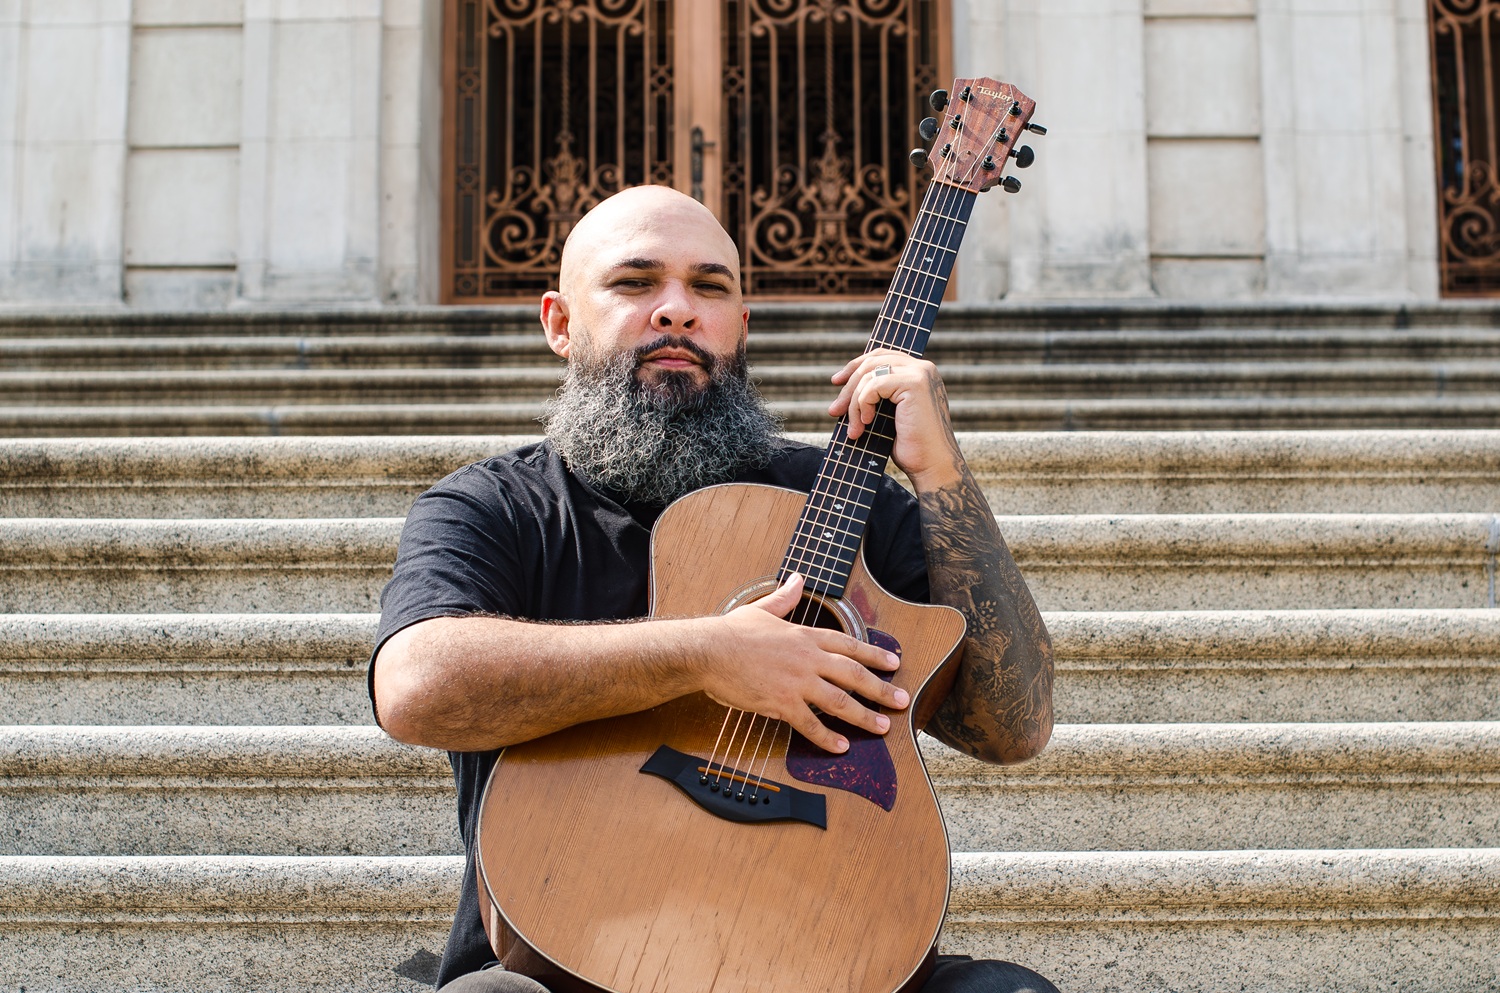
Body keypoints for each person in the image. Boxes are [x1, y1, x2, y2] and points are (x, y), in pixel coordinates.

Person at [371, 185, 1059, 993]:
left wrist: (941, 474)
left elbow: (1014, 726)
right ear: (559, 323)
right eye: (635, 282)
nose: (677, 309)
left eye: (709, 285)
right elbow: (416, 687)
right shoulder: (494, 507)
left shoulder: (847, 501)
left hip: (836, 958)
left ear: (742, 323)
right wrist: (709, 653)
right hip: (563, 958)